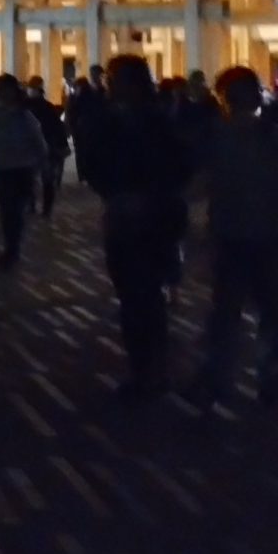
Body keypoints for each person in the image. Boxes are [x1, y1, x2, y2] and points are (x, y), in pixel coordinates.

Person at [192, 66, 278, 409]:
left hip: (234, 236)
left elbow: (199, 187)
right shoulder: (270, 137)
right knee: (273, 314)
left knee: (226, 314)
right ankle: (272, 380)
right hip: (267, 237)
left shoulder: (217, 138)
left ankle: (217, 380)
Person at [88, 55, 190, 400]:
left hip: (148, 217)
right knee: (137, 296)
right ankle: (148, 369)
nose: (109, 85)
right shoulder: (138, 120)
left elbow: (176, 168)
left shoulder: (152, 122)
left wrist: (138, 195)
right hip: (131, 214)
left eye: (114, 79)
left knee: (140, 297)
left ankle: (148, 371)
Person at [0, 76, 50, 268]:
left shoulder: (25, 115)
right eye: (0, 89)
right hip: (1, 168)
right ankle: (12, 246)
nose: (2, 93)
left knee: (16, 209)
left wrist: (43, 164)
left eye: (6, 89)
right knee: (8, 209)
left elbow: (38, 141)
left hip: (23, 168)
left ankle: (13, 246)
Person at [23, 78, 70, 217]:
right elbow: (57, 127)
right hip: (46, 145)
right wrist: (62, 144)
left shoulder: (25, 107)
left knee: (31, 178)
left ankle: (32, 205)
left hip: (34, 146)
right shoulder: (47, 107)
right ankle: (45, 208)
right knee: (46, 179)